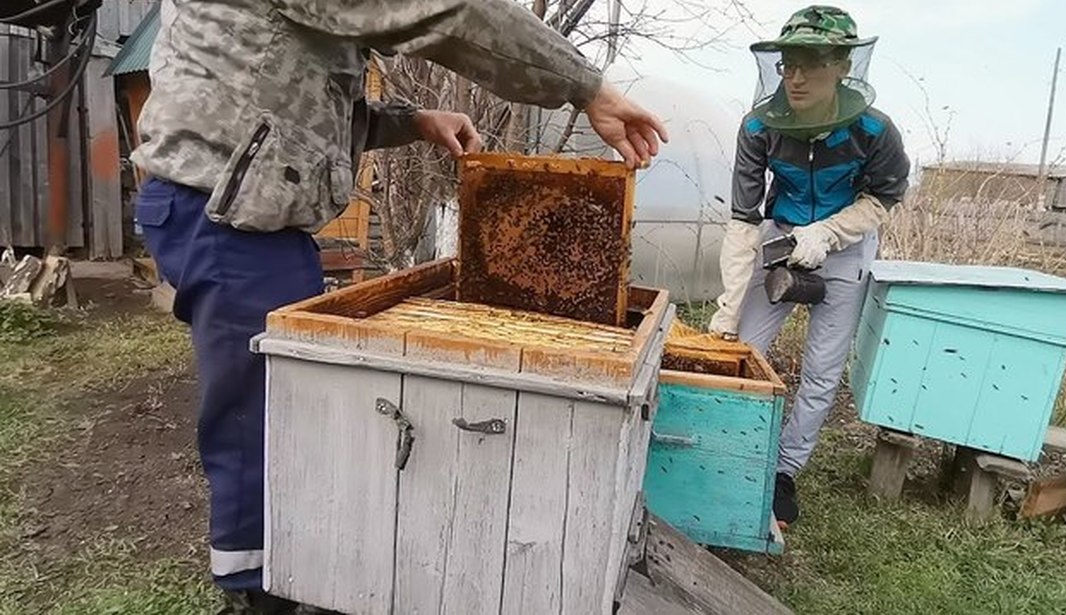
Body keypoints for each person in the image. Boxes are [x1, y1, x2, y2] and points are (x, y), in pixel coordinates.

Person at [130, 1, 668, 612]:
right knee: (262, 415)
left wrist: (413, 121)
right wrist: (585, 86)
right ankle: (261, 589)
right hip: (227, 219)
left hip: (243, 216)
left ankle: (291, 565)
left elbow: (293, 96)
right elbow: (442, 9)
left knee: (292, 406)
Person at [707, 5, 910, 528]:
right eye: (788, 64)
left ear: (843, 65)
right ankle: (732, 452)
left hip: (845, 246)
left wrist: (828, 232)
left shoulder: (874, 131)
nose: (795, 77)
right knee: (744, 347)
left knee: (822, 370)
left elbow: (885, 198)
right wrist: (727, 308)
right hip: (779, 236)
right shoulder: (759, 127)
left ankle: (784, 471)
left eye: (811, 64)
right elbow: (742, 220)